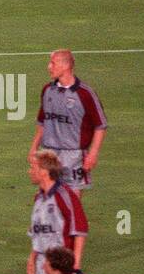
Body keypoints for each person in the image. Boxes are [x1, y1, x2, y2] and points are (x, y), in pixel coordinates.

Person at [30, 49, 107, 191]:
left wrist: (93, 153)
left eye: (52, 63)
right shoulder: (47, 90)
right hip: (49, 154)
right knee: (49, 199)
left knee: (72, 201)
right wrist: (34, 148)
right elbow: (42, 122)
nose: (49, 67)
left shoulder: (85, 94)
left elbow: (100, 126)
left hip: (74, 156)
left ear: (65, 66)